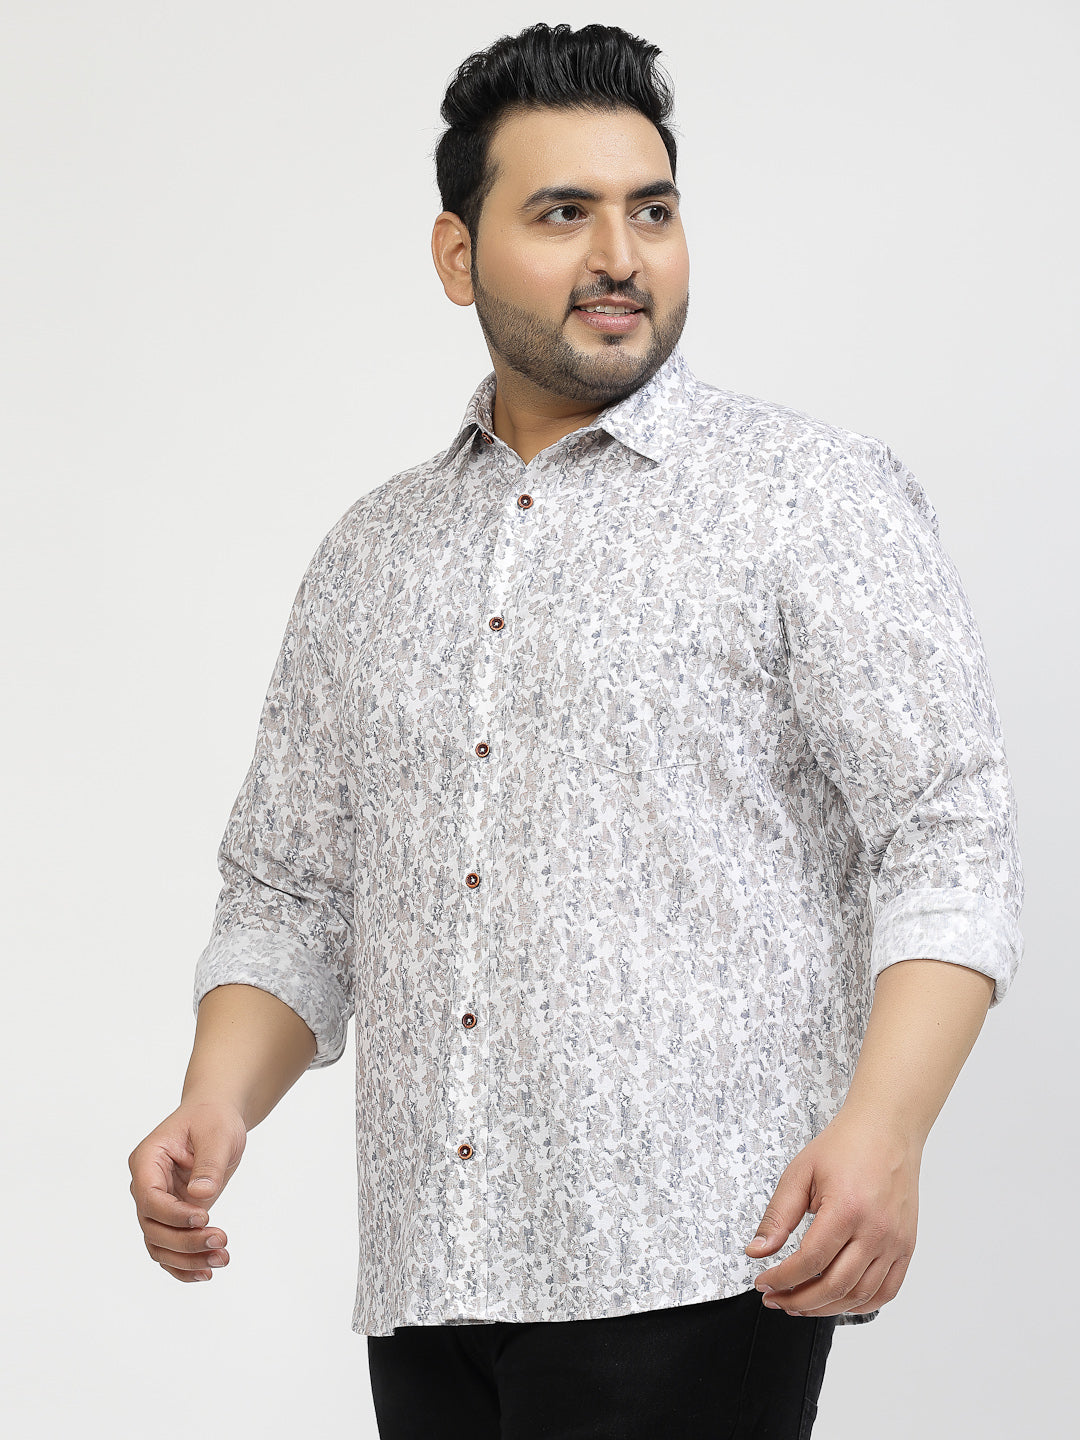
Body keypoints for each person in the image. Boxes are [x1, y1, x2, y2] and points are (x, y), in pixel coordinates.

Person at [127, 21, 1025, 1439]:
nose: (621, 255)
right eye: (563, 213)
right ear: (456, 255)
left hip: (698, 1255)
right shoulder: (372, 556)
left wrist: (886, 1130)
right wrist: (216, 1101)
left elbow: (948, 838)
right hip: (432, 1274)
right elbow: (291, 891)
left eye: (651, 211)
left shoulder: (809, 499)